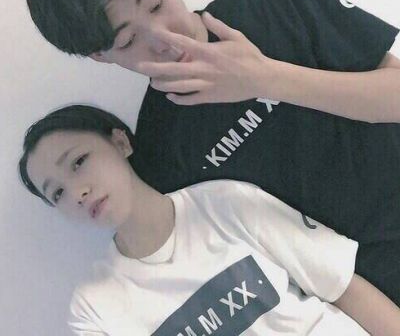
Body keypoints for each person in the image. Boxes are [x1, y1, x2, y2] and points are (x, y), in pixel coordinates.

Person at [25, 0, 400, 303]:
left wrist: (266, 79)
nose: (163, 39)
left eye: (155, 5)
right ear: (101, 56)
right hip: (371, 292)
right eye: (127, 42)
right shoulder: (159, 152)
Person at [18, 104, 400, 335]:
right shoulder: (94, 308)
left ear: (120, 142)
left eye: (79, 162)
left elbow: (344, 288)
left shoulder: (225, 203)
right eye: (57, 193)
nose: (77, 191)